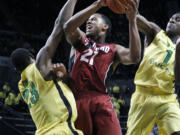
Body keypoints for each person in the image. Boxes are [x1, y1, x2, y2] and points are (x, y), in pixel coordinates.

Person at [63, 0, 141, 135]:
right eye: (88, 20)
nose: (88, 21)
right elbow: (67, 27)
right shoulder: (79, 41)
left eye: (93, 19)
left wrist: (132, 21)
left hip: (101, 99)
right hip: (77, 100)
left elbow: (134, 57)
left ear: (104, 27)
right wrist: (97, 4)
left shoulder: (114, 49)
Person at [10, 0, 83, 135]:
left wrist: (64, 77)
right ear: (32, 58)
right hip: (60, 131)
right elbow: (59, 25)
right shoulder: (38, 68)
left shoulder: (23, 84)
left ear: (17, 70)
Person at [126, 12, 180, 135]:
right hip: (142, 96)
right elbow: (138, 19)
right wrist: (131, 11)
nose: (172, 20)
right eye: (171, 18)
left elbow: (179, 80)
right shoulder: (157, 33)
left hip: (167, 97)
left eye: (178, 20)